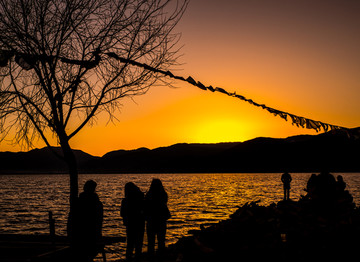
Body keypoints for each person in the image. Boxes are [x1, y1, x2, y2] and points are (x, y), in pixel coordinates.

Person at [74, 180, 104, 261]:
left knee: (86, 252)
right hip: (89, 230)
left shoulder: (80, 200)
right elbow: (99, 218)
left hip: (84, 230)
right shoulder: (95, 201)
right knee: (90, 251)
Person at [145, 179, 171, 258]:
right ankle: (161, 256)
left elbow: (146, 206)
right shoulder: (163, 194)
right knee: (161, 240)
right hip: (161, 220)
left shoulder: (148, 195)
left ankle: (151, 257)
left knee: (151, 241)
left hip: (151, 220)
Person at [121, 182, 145, 261]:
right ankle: (138, 258)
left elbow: (122, 213)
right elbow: (144, 210)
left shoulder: (125, 201)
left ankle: (129, 258)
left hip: (130, 224)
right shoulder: (140, 198)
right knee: (139, 243)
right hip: (140, 223)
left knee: (130, 244)